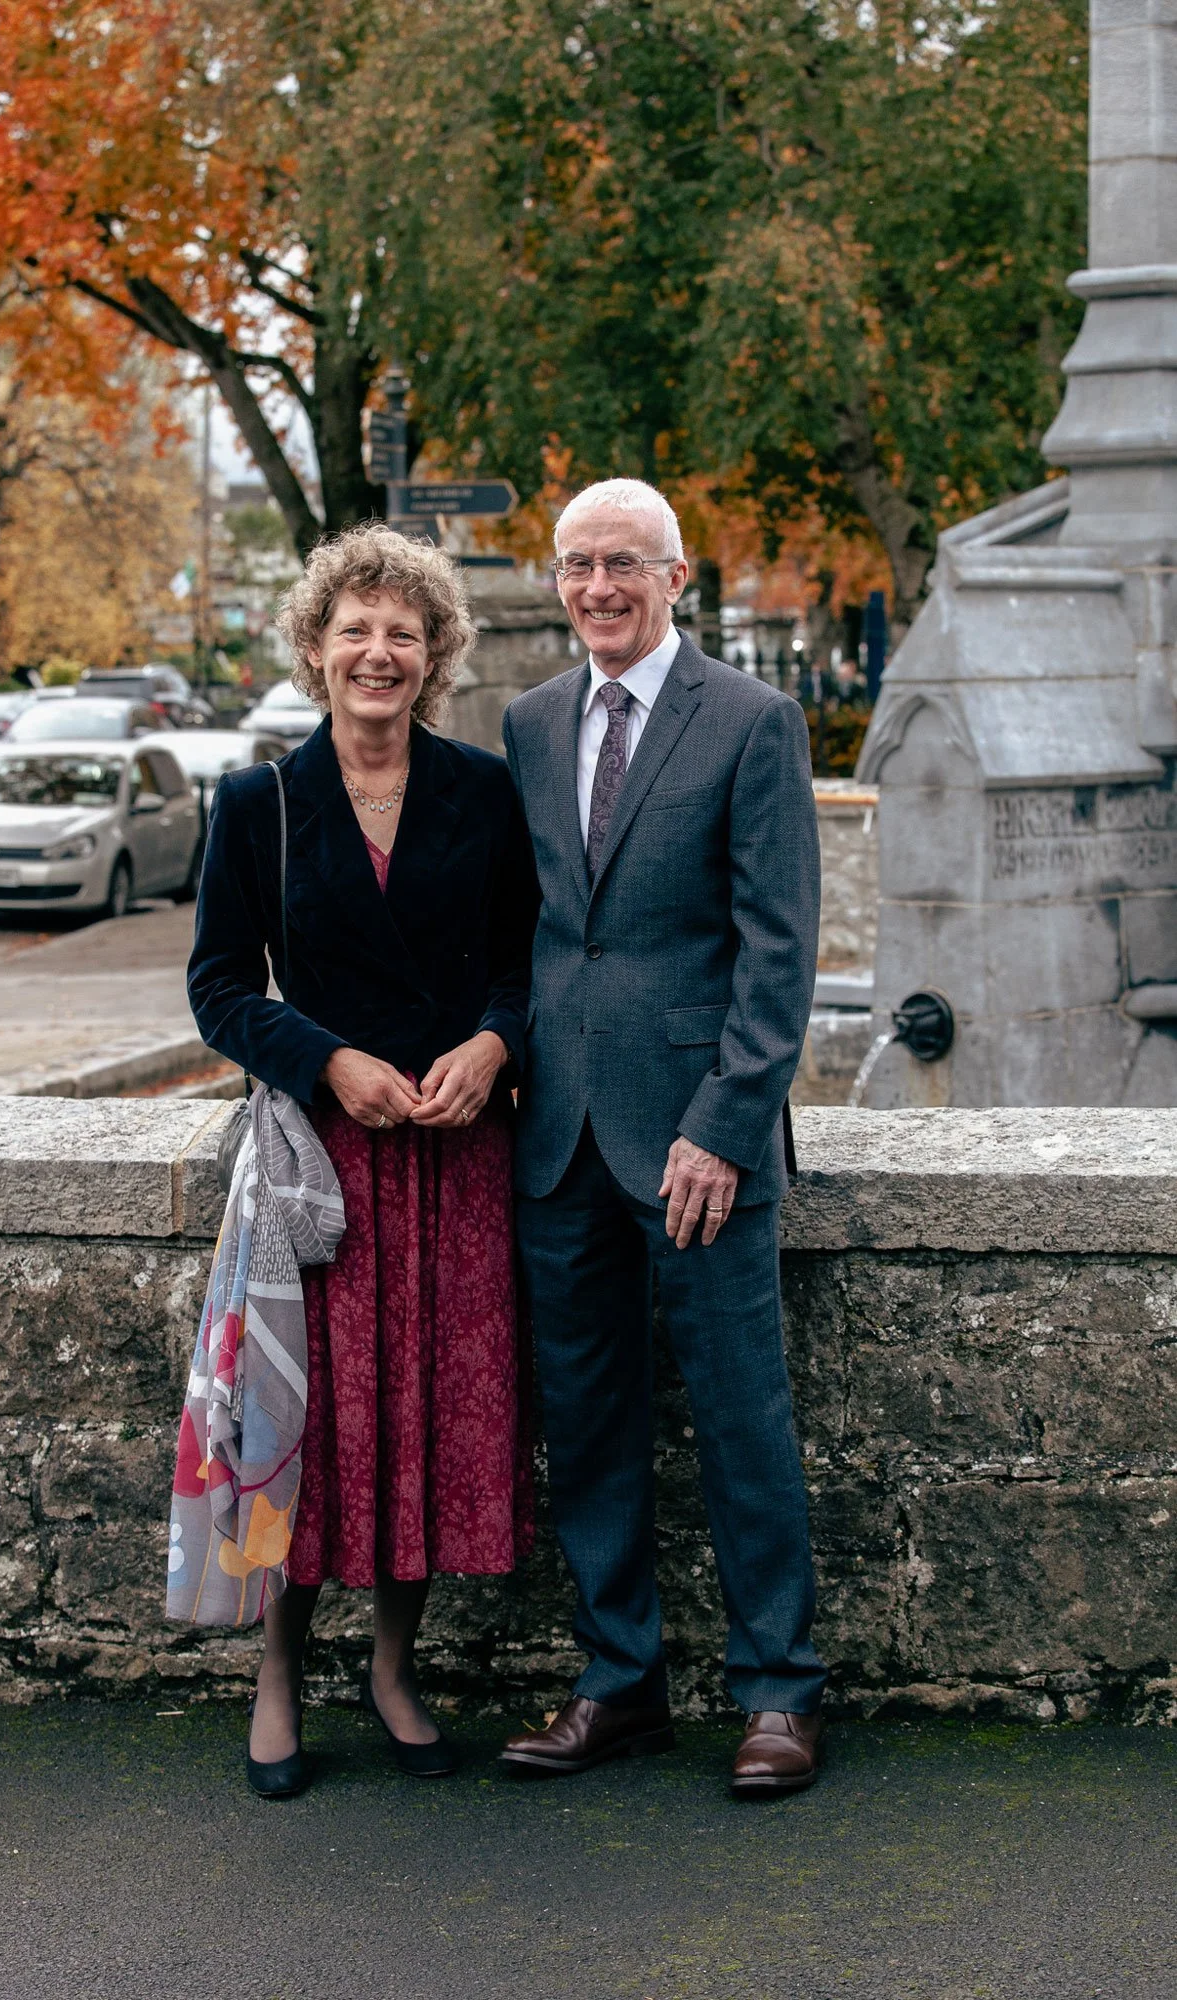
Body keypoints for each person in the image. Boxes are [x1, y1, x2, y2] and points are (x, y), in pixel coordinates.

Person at [187, 524, 537, 1797]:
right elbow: (218, 986)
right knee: (304, 1426)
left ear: (434, 652)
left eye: (403, 631)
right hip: (316, 1173)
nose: (377, 652)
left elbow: (524, 963)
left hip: (455, 1160)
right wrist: (324, 1059)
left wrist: (497, 1043)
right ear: (316, 647)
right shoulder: (258, 801)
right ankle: (278, 1676)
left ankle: (394, 1669)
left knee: (423, 1424)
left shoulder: (486, 792)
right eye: (355, 630)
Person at [499, 478, 827, 1797]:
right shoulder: (527, 722)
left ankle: (780, 1693)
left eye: (623, 564)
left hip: (699, 1143)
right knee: (583, 1423)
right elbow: (531, 927)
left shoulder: (751, 721)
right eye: (577, 565)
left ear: (676, 575)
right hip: (559, 1136)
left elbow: (779, 945)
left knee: (743, 1418)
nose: (597, 589)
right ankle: (617, 1680)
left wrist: (725, 1123)